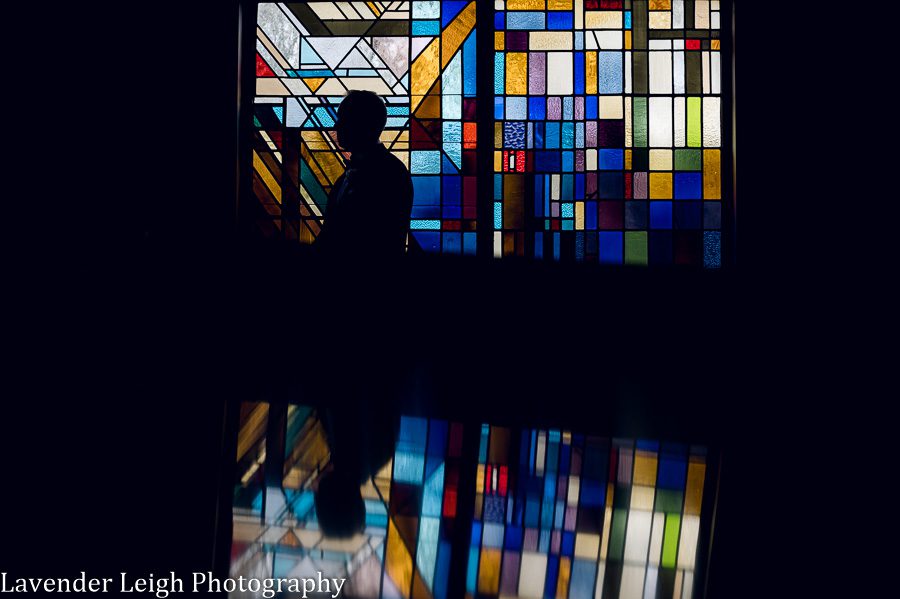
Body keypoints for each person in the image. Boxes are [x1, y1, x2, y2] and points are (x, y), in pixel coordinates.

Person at [314, 90, 414, 260]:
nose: (336, 127)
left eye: (343, 120)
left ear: (361, 125)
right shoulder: (363, 171)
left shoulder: (389, 176)